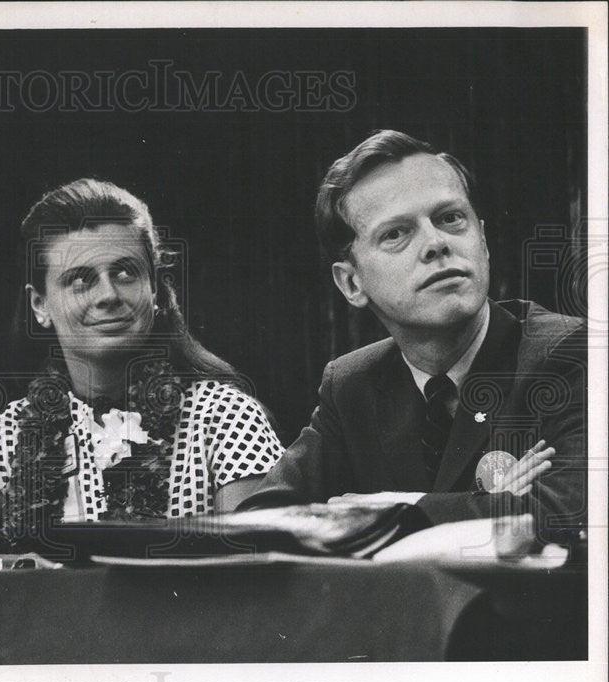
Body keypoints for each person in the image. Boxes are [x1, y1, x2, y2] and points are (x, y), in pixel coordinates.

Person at [0, 178, 283, 563]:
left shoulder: (224, 416)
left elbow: (256, 561)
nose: (108, 295)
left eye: (125, 272)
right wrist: (20, 569)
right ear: (40, 305)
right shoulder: (16, 429)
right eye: (80, 280)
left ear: (156, 290)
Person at [240, 130, 586, 543]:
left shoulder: (567, 353)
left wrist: (388, 509)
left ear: (484, 241)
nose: (436, 244)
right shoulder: (352, 384)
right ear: (351, 284)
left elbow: (569, 513)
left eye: (450, 218)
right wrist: (494, 509)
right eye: (396, 233)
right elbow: (259, 520)